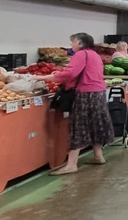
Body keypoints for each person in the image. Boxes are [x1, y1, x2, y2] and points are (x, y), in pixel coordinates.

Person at [37, 33, 113, 174]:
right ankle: (98, 156)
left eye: (72, 42)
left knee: (79, 125)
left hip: (86, 93)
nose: (71, 45)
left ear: (79, 43)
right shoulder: (95, 55)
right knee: (96, 124)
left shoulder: (81, 54)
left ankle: (71, 165)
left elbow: (70, 74)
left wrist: (44, 77)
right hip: (99, 92)